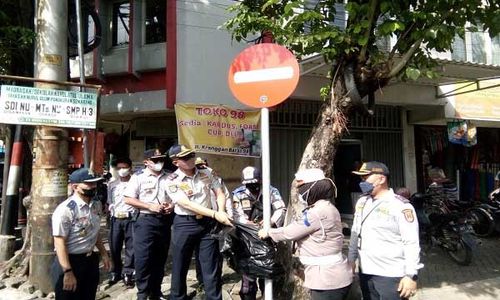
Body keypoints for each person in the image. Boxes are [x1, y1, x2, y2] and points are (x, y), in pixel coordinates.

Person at [258, 168, 352, 300]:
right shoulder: (327, 207)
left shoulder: (316, 213)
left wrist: (268, 232)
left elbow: (290, 232)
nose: (301, 193)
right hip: (330, 276)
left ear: (312, 189)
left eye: (302, 188)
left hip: (327, 280)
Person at [166, 144, 233, 300]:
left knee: (211, 266)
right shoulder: (171, 180)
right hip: (185, 223)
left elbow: (219, 192)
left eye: (191, 155)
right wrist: (216, 214)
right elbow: (187, 204)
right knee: (180, 265)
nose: (190, 159)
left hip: (208, 225)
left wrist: (221, 211)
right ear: (176, 162)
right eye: (185, 157)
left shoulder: (206, 172)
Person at [348, 161, 422, 300]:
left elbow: (411, 242)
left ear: (382, 179)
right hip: (366, 271)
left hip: (391, 274)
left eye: (366, 177)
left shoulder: (400, 206)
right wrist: (351, 260)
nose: (362, 181)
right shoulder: (362, 202)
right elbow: (355, 232)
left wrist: (411, 275)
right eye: (361, 178)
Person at [51, 168, 111, 300]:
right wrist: (67, 271)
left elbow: (94, 232)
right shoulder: (65, 210)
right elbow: (59, 242)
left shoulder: (96, 205)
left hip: (90, 261)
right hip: (70, 261)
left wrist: (104, 253)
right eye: (88, 184)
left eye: (94, 183)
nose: (93, 186)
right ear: (75, 187)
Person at [123, 149, 174, 300]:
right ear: (146, 162)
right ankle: (142, 293)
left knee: (160, 257)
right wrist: (149, 206)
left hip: (164, 220)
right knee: (143, 258)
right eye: (155, 160)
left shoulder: (169, 176)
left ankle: (156, 292)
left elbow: (175, 196)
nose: (159, 162)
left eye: (161, 159)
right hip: (145, 221)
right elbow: (128, 199)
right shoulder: (138, 177)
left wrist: (171, 205)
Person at [230, 166, 286, 300]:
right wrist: (246, 223)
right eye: (248, 184)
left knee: (266, 272)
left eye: (254, 182)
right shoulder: (238, 193)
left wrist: (270, 222)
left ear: (260, 180)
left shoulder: (271, 190)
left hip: (266, 235)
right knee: (248, 276)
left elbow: (281, 209)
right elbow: (236, 214)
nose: (252, 186)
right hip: (246, 237)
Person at [107, 157, 135, 286]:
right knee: (114, 247)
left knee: (131, 247)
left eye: (124, 167)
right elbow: (109, 202)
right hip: (116, 219)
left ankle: (128, 273)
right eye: (119, 168)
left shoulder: (136, 182)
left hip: (131, 218)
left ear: (130, 168)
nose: (122, 170)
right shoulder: (112, 184)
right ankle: (115, 272)